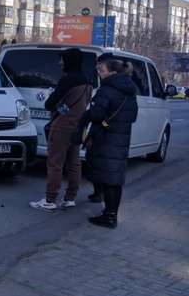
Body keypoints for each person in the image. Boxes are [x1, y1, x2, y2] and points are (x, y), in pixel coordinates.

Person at [79, 53, 138, 229]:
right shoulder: (130, 90)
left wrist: (88, 115)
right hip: (121, 139)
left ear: (112, 71)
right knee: (114, 178)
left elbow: (97, 115)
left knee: (108, 178)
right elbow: (132, 117)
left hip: (106, 139)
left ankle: (109, 217)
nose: (99, 72)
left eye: (101, 69)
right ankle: (111, 213)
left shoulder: (106, 89)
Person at [30, 48, 92, 211]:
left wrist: (58, 104)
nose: (60, 63)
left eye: (62, 60)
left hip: (61, 127)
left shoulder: (67, 80)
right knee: (74, 163)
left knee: (55, 163)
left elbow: (49, 104)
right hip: (78, 127)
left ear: (69, 61)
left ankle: (50, 200)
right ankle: (70, 198)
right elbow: (84, 104)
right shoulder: (88, 81)